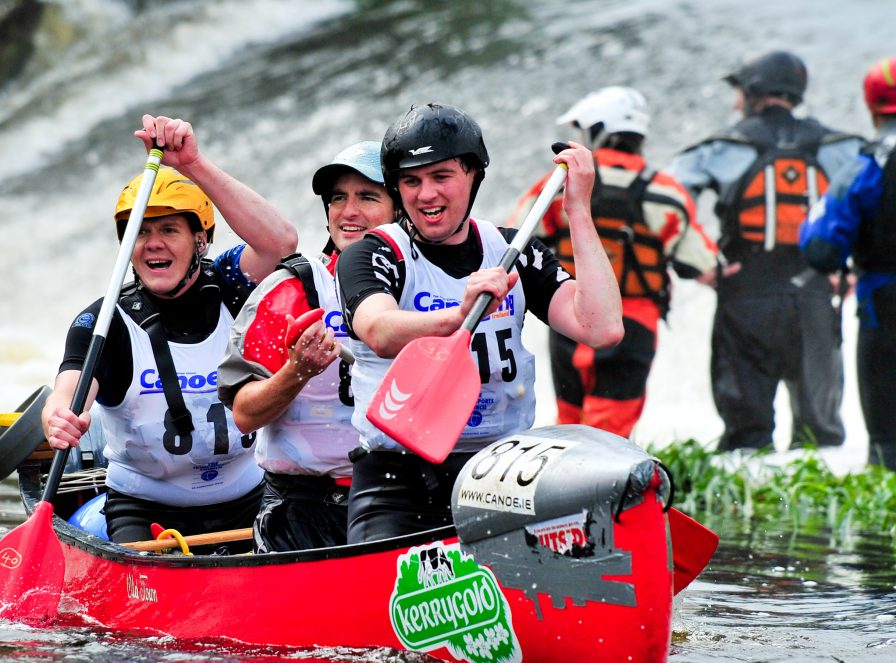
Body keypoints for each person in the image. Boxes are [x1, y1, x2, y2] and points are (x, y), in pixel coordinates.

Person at [336, 103, 623, 543]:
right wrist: (458, 315)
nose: (426, 194)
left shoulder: (514, 250)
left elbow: (601, 327)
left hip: (500, 473)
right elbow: (377, 329)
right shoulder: (373, 253)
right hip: (396, 479)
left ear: (473, 176)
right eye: (411, 181)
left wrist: (579, 210)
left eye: (441, 177)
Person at [41, 114, 298, 546]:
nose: (152, 243)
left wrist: (192, 165)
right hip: (144, 507)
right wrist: (58, 419)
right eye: (139, 233)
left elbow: (280, 243)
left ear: (200, 241)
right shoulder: (106, 321)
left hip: (251, 498)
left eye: (168, 230)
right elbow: (67, 392)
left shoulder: (235, 289)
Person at [667, 50, 862, 452]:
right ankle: (818, 513)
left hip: (744, 298)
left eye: (738, 90)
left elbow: (666, 201)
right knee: (819, 439)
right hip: (815, 299)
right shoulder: (843, 147)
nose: (735, 101)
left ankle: (748, 508)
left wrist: (700, 265)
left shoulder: (722, 146)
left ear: (754, 89)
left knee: (746, 437)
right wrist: (855, 268)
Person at [509, 86, 719, 438]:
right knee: (609, 436)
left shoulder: (558, 183)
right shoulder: (668, 193)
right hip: (632, 328)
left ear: (598, 131)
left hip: (570, 322)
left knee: (569, 427)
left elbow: (516, 236)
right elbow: (704, 265)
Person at [218, 141, 396, 552]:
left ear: (399, 209)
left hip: (401, 494)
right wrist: (296, 372)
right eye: (338, 198)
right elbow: (244, 415)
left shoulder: (427, 283)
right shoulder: (290, 288)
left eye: (367, 197)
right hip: (304, 507)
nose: (348, 212)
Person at [800, 57, 896, 471]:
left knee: (887, 441)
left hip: (884, 308)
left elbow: (820, 249)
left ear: (872, 107)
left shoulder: (864, 169)